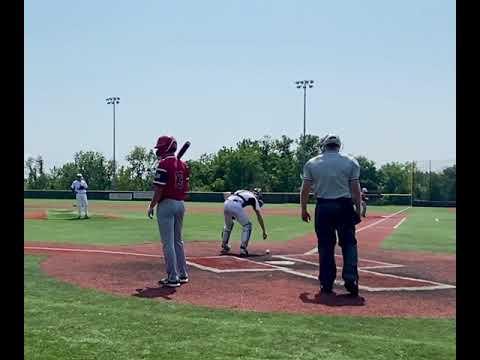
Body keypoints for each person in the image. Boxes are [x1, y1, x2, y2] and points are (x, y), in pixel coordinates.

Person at [300, 134, 362, 296]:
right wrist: (358, 208)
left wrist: (304, 209)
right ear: (339, 145)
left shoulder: (312, 163)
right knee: (349, 244)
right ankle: (351, 279)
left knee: (325, 246)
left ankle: (326, 283)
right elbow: (355, 188)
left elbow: (305, 189)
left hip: (323, 207)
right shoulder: (351, 162)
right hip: (344, 206)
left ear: (324, 145)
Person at [147, 135, 190, 288]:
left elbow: (159, 189)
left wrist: (151, 205)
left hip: (167, 204)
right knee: (178, 241)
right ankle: (183, 273)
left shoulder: (164, 164)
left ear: (166, 147)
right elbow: (186, 189)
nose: (158, 151)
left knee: (168, 243)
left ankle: (173, 277)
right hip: (180, 204)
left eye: (160, 148)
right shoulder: (183, 165)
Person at [221, 188, 268, 256]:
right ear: (257, 195)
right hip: (236, 205)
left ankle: (224, 245)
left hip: (226, 203)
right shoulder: (253, 198)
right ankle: (243, 249)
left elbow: (225, 194)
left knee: (228, 225)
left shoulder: (242, 191)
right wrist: (264, 231)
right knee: (247, 225)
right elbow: (259, 216)